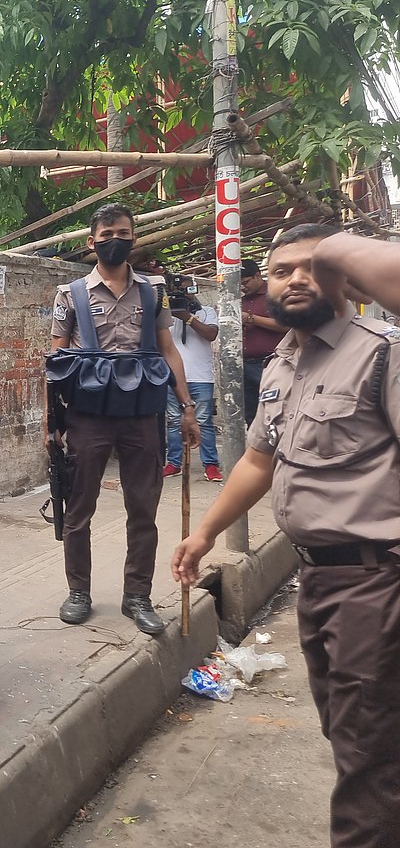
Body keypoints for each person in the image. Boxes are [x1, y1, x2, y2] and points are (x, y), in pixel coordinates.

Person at [172, 223, 400, 848]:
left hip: (376, 581)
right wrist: (205, 534)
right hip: (318, 580)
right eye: (280, 270)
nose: (295, 279)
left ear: (347, 276)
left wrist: (340, 247)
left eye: (313, 266)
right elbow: (257, 461)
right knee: (354, 737)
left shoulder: (382, 351)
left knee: (367, 761)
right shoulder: (281, 363)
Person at [48, 204, 199, 635]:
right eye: (108, 232)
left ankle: (138, 596)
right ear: (91, 242)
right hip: (88, 417)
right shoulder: (70, 294)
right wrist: (52, 425)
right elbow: (56, 359)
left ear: (134, 237)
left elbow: (169, 350)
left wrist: (186, 408)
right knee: (79, 509)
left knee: (143, 508)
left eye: (124, 232)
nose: (116, 238)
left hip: (141, 416)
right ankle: (78, 592)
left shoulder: (153, 291)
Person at [162, 277, 222, 482]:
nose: (185, 294)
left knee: (204, 422)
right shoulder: (165, 315)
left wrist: (187, 317)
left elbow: (211, 334)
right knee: (172, 422)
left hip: (200, 377)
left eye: (188, 290)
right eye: (180, 291)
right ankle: (174, 463)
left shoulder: (206, 312)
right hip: (173, 378)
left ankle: (211, 464)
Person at [240, 258, 288, 423]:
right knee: (251, 415)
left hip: (269, 362)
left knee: (275, 410)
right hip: (244, 364)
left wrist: (252, 319)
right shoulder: (240, 300)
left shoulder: (275, 295)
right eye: (240, 284)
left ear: (257, 276)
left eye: (246, 282)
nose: (243, 287)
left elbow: (287, 325)